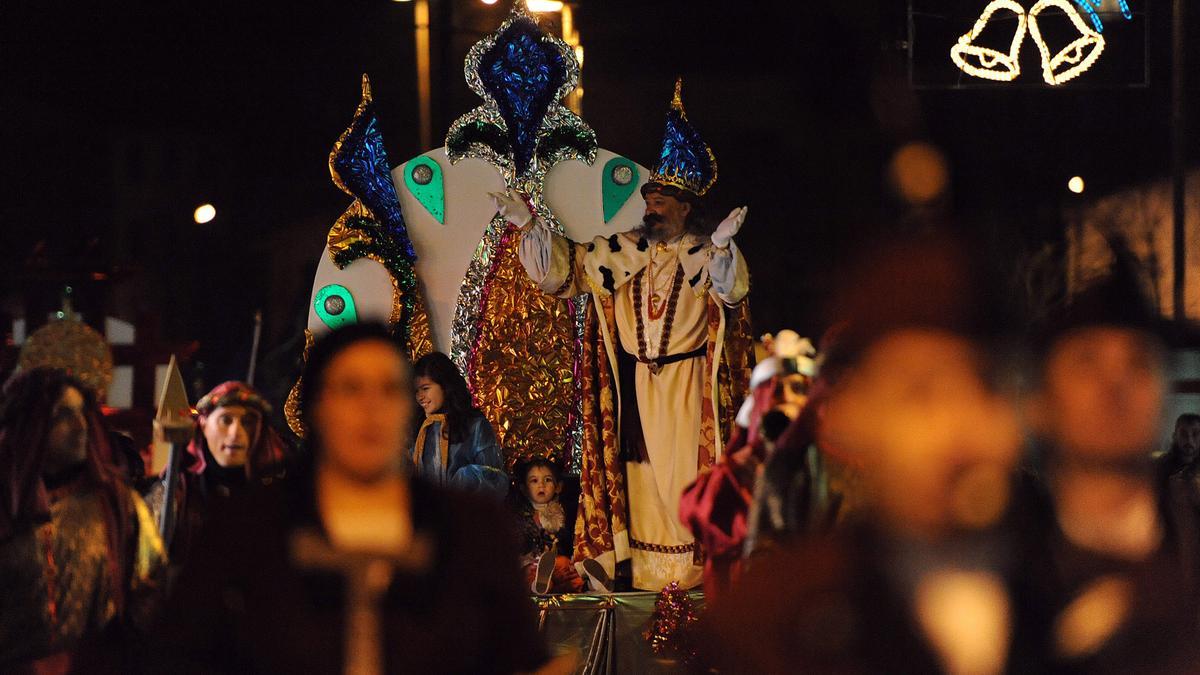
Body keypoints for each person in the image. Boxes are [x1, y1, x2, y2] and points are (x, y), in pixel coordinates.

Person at [698, 233, 1046, 674]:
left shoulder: (1098, 607)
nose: (963, 430)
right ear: (850, 416)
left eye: (988, 386)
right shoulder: (769, 629)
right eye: (919, 395)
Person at [152, 323, 552, 674]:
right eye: (350, 389)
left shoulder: (470, 527)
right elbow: (182, 650)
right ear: (316, 408)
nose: (371, 409)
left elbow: (515, 653)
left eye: (389, 390)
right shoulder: (248, 527)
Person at [496, 79, 754, 590]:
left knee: (684, 479)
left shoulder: (703, 253)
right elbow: (562, 273)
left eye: (663, 201)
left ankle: (691, 577)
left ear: (685, 208)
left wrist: (723, 251)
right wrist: (531, 228)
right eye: (650, 199)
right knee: (640, 482)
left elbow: (731, 295)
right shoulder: (621, 250)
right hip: (634, 385)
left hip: (685, 386)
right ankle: (644, 577)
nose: (652, 208)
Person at [1025, 242, 1200, 671]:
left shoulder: (1193, 543)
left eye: (1138, 362)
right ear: (1040, 401)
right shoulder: (999, 565)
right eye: (1086, 362)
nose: (1114, 385)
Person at [0, 368, 166, 672]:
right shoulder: (6, 504)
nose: (80, 426)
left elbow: (150, 590)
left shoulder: (117, 503)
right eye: (64, 414)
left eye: (82, 413)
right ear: (31, 424)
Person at [679, 330, 815, 600]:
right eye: (776, 390)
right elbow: (699, 515)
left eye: (797, 388)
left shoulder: (829, 466)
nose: (785, 397)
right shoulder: (739, 469)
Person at [144, 380, 291, 568]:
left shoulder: (279, 494)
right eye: (226, 420)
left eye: (248, 422)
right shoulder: (175, 493)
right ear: (204, 425)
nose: (236, 432)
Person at [411, 352, 508, 497]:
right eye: (416, 391)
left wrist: (465, 480)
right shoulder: (419, 427)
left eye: (425, 389)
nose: (420, 397)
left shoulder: (475, 425)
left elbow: (496, 481)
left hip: (465, 516)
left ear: (445, 385)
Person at [512, 458, 586, 594]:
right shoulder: (521, 516)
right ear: (524, 489)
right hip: (532, 565)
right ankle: (539, 586)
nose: (541, 485)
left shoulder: (564, 514)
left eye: (548, 480)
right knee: (530, 576)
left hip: (554, 564)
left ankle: (596, 584)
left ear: (558, 487)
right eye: (534, 481)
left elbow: (568, 543)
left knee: (569, 572)